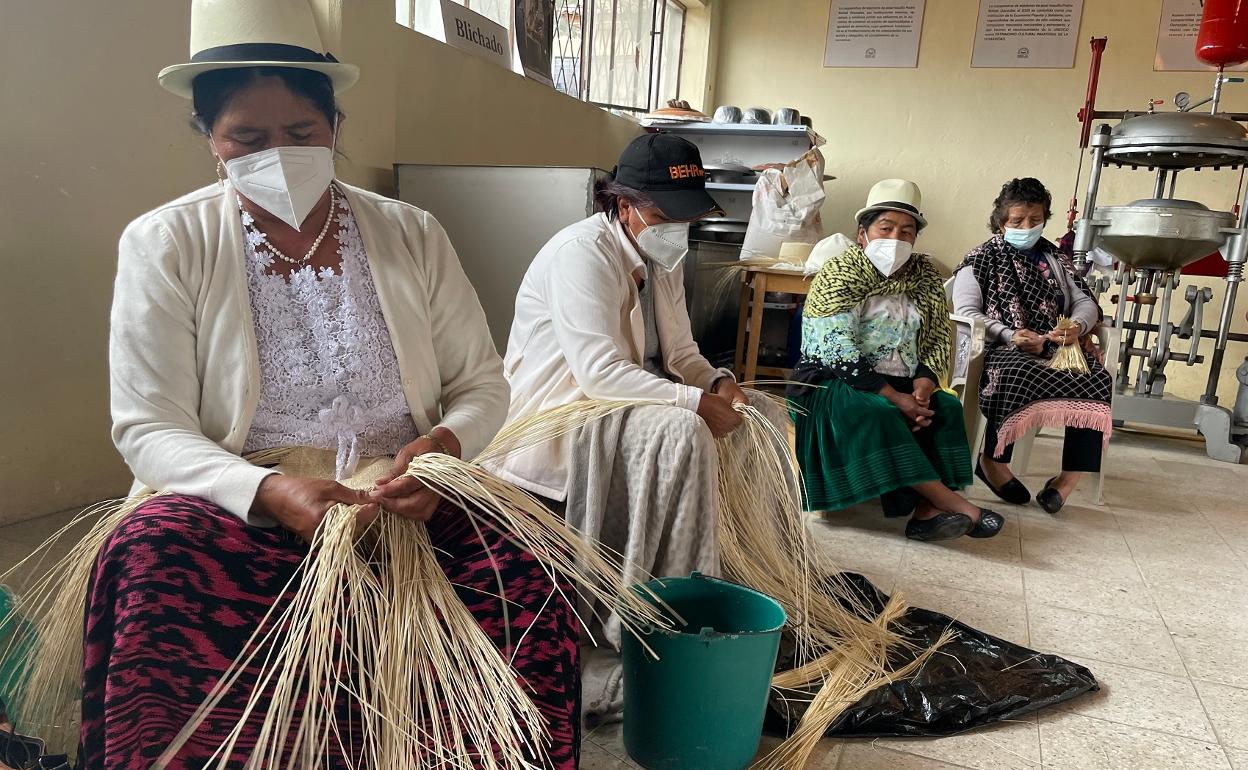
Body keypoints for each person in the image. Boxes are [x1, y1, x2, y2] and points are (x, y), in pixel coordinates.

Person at [84, 2, 579, 767]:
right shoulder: (166, 242)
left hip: (401, 496)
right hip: (240, 501)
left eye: (302, 133)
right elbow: (147, 427)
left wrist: (441, 452)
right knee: (155, 559)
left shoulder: (411, 234)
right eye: (247, 137)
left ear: (336, 127)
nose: (277, 154)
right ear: (210, 140)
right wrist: (269, 492)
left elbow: (482, 384)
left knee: (524, 568)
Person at [486, 133, 786, 715]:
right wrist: (694, 405)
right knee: (682, 431)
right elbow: (598, 372)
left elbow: (681, 355)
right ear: (622, 206)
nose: (677, 227)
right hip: (565, 413)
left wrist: (719, 383)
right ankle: (657, 625)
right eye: (662, 215)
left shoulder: (660, 258)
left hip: (634, 396)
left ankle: (733, 581)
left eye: (687, 215)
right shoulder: (583, 253)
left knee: (762, 414)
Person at [792, 180, 1003, 541]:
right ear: (863, 233)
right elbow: (834, 347)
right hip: (836, 381)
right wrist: (896, 397)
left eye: (906, 231)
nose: (896, 238)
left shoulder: (923, 277)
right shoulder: (838, 273)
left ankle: (927, 514)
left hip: (905, 382)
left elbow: (937, 336)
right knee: (880, 412)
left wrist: (923, 384)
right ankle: (954, 503)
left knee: (946, 409)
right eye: (885, 228)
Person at [953, 178, 1112, 514]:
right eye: (1017, 221)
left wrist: (1076, 327)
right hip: (1002, 345)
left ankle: (1067, 480)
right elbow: (966, 312)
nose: (1027, 227)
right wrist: (1011, 335)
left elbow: (1085, 302)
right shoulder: (980, 259)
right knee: (1013, 373)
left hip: (1056, 345)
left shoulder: (1055, 258)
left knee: (1095, 377)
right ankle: (993, 460)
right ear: (1000, 221)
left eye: (1035, 220)